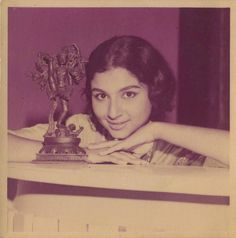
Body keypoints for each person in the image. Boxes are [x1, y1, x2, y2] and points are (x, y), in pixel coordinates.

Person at [8, 35, 229, 167]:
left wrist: (157, 130)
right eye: (101, 96)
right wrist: (82, 153)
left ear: (154, 90)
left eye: (129, 94)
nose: (113, 112)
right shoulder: (82, 131)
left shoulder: (174, 149)